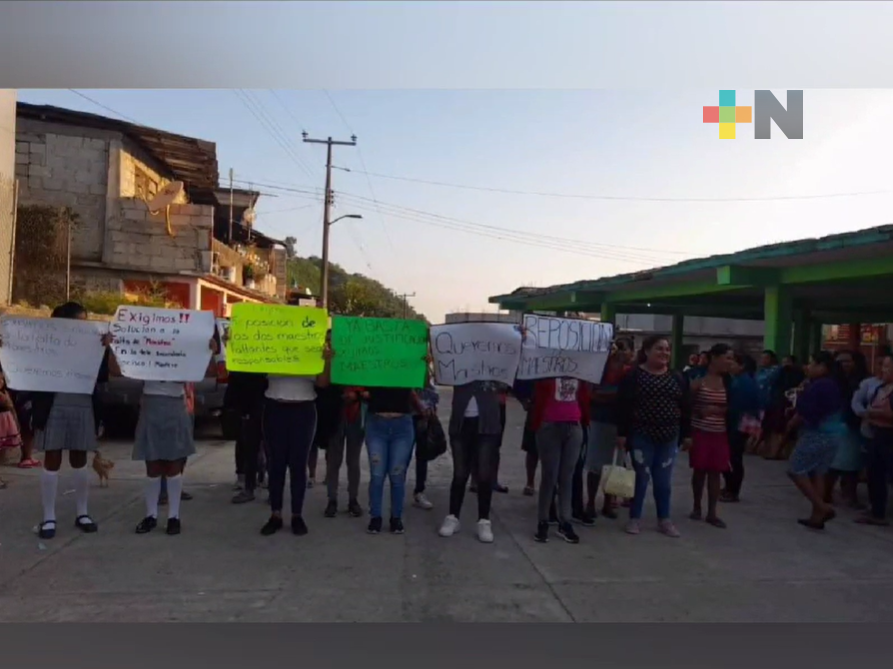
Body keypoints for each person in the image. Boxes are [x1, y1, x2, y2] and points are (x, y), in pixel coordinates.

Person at [12, 302, 112, 540]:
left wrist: (105, 348)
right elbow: (22, 360)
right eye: (79, 322)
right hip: (53, 403)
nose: (84, 328)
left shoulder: (94, 346)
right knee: (52, 457)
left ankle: (82, 512)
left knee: (79, 458)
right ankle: (49, 516)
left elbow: (103, 377)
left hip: (82, 404)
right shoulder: (45, 343)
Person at [108, 331, 218, 536]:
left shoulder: (183, 355)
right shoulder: (145, 356)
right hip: (151, 406)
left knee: (174, 465)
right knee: (152, 465)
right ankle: (151, 515)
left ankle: (173, 517)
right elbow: (115, 370)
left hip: (176, 407)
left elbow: (210, 372)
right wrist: (112, 347)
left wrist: (210, 351)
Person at [255, 326, 333, 537]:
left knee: (299, 466)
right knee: (276, 464)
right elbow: (247, 361)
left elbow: (323, 383)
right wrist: (232, 344)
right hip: (274, 408)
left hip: (304, 409)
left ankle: (297, 515)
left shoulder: (313, 350)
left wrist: (327, 360)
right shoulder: (270, 347)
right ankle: (276, 514)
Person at [616, 335, 691, 538]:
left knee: (663, 481)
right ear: (647, 351)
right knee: (641, 477)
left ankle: (664, 520)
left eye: (667, 349)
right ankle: (634, 518)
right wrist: (622, 433)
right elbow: (623, 406)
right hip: (642, 435)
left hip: (668, 437)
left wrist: (686, 435)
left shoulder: (677, 377)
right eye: (659, 349)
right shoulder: (634, 376)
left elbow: (685, 407)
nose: (664, 353)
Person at [784, 351, 847, 530]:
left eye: (812, 364)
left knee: (795, 469)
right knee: (817, 472)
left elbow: (809, 411)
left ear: (822, 367)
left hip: (818, 434)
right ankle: (817, 516)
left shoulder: (821, 386)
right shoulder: (832, 384)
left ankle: (821, 507)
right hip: (833, 435)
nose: (808, 367)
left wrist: (798, 399)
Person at [439, 380, 506, 543]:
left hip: (487, 423)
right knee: (460, 473)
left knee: (484, 474)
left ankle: (484, 519)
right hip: (461, 423)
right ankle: (453, 516)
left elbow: (505, 383)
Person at [529, 376, 590, 544]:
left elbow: (585, 392)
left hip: (574, 423)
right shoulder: (546, 368)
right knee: (550, 475)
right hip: (549, 424)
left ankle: (565, 520)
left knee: (567, 476)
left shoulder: (580, 370)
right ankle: (543, 520)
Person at [365, 373, 427, 535]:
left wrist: (425, 365)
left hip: (402, 425)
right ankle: (376, 516)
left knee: (397, 474)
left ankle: (396, 517)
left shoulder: (406, 355)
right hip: (377, 422)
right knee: (377, 474)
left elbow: (423, 382)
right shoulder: (373, 356)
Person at [583, 337, 634, 523]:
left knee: (616, 465)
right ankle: (590, 502)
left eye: (624, 348)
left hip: (620, 423)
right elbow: (591, 393)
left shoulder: (630, 372)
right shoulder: (599, 368)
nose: (620, 352)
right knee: (596, 464)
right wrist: (615, 397)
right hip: (600, 419)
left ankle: (608, 501)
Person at [688, 343, 734, 528]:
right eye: (727, 358)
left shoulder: (729, 381)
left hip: (720, 433)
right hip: (700, 431)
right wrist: (698, 409)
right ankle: (697, 506)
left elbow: (736, 405)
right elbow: (686, 403)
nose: (730, 362)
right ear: (715, 358)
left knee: (716, 472)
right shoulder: (698, 376)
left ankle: (712, 512)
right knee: (699, 470)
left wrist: (720, 410)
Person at [823, 350, 868, 509]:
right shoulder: (832, 381)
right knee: (833, 463)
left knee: (851, 464)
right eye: (841, 361)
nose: (845, 364)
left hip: (853, 426)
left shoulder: (862, 381)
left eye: (848, 361)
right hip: (835, 424)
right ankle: (826, 493)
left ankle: (849, 494)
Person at [855, 354, 893, 527]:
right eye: (882, 366)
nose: (883, 370)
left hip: (889, 435)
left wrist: (877, 414)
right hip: (877, 434)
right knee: (874, 474)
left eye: (887, 367)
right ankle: (877, 511)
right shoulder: (880, 388)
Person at [721, 353, 761, 502]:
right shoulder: (739, 380)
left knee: (734, 457)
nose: (729, 364)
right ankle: (729, 487)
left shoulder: (744, 382)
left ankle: (733, 490)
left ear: (741, 365)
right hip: (737, 422)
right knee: (732, 456)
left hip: (738, 423)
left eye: (733, 362)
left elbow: (739, 407)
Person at [323, 385, 366, 518]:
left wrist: (358, 395)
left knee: (353, 461)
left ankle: (353, 499)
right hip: (335, 410)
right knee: (333, 461)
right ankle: (332, 499)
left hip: (357, 410)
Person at [226, 371, 268, 504]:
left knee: (272, 451)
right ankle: (249, 487)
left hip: (269, 403)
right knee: (250, 450)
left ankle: (273, 490)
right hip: (250, 407)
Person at [411, 371, 438, 510]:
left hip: (421, 416)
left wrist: (427, 407)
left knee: (422, 455)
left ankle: (419, 490)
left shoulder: (424, 364)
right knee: (401, 457)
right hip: (405, 413)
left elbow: (431, 388)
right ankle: (397, 491)